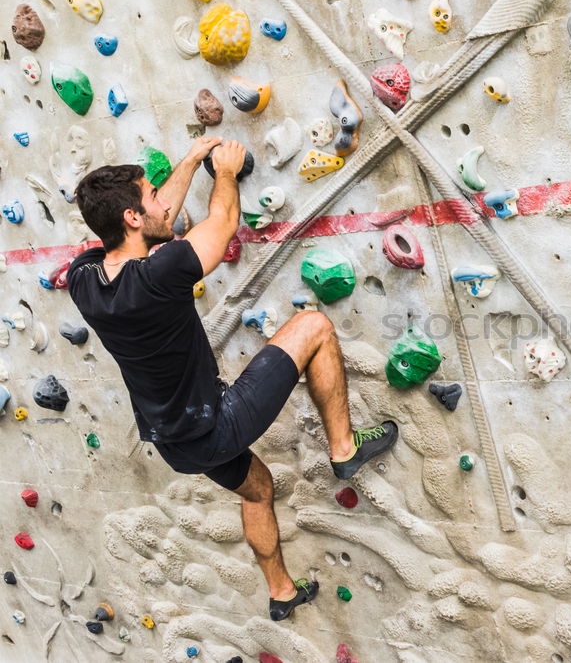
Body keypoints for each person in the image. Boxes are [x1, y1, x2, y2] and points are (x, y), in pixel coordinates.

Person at [67, 137, 398, 620]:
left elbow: (153, 226)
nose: (163, 201)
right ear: (132, 218)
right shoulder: (161, 274)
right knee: (314, 327)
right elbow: (220, 225)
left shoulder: (84, 279)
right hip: (215, 424)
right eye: (152, 195)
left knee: (258, 487)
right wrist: (222, 169)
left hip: (176, 444)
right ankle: (344, 448)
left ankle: (281, 591)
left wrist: (187, 160)